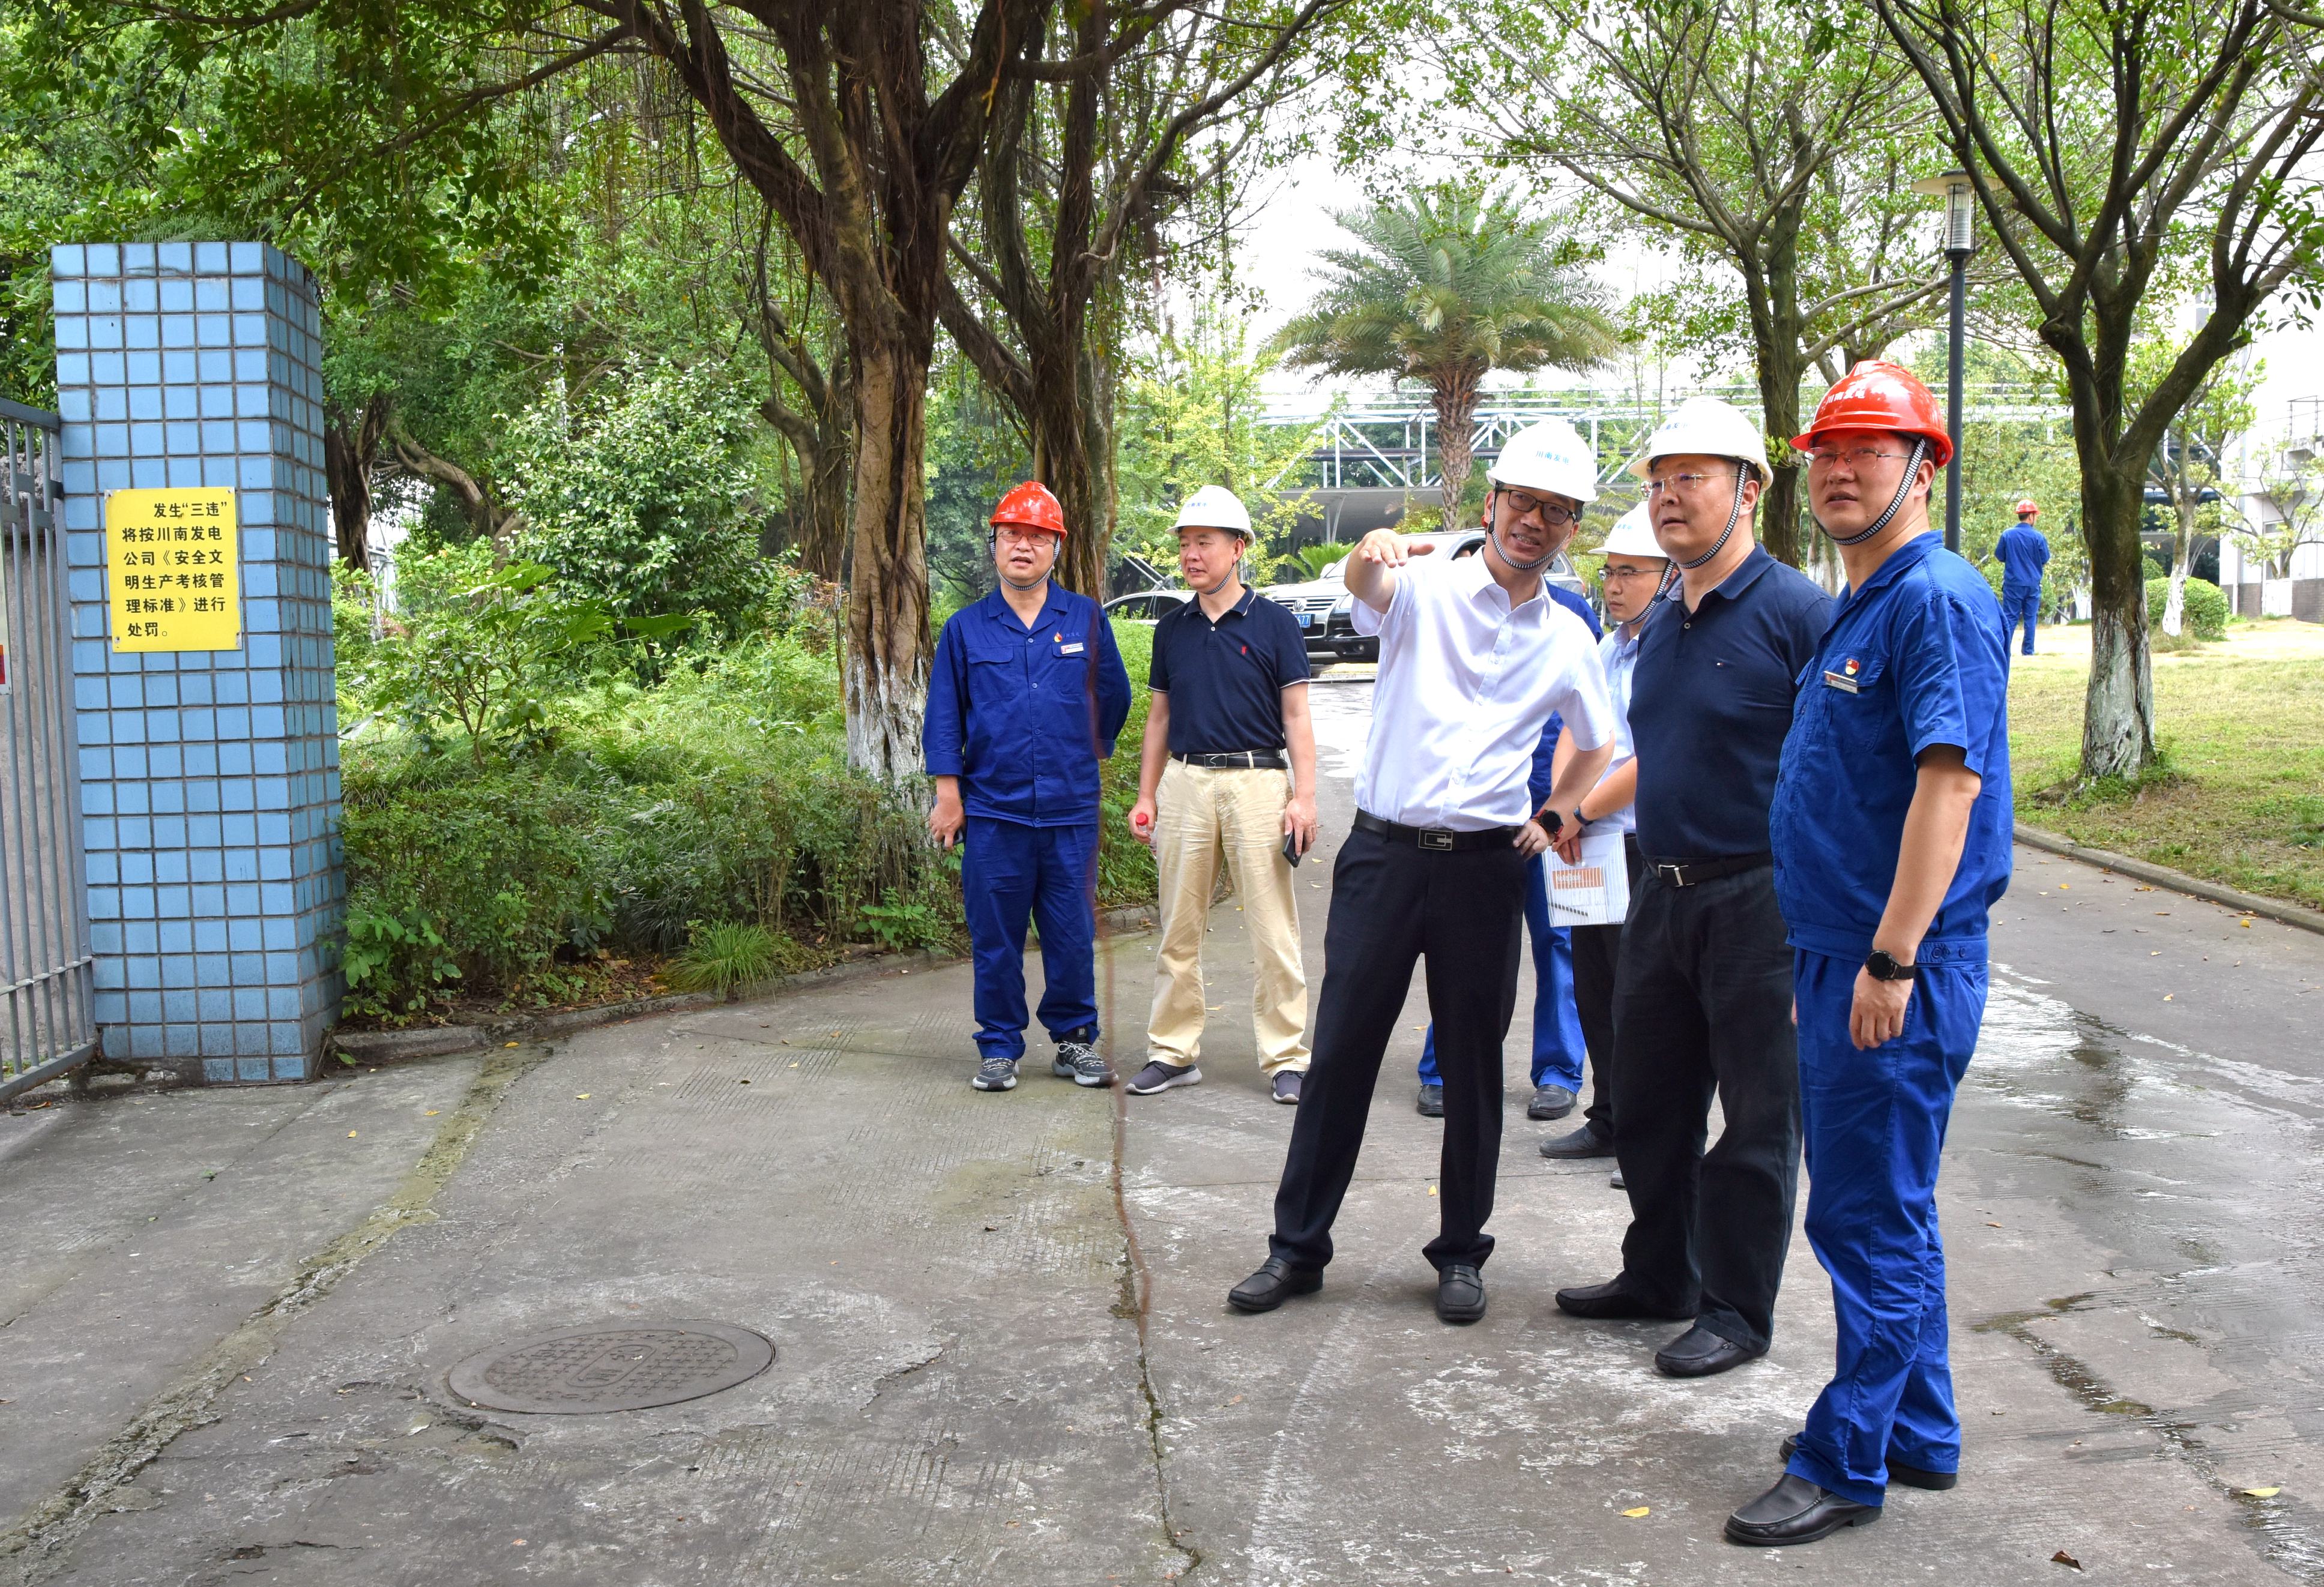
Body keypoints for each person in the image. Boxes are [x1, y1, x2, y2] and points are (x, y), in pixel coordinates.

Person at [1226, 420, 1615, 1328]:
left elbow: (1598, 743)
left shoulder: (1568, 637)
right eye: (1522, 501)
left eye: (1557, 510)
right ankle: (1296, 1248)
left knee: (1474, 1068)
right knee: (1342, 1054)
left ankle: (1461, 1252)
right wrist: (1369, 551)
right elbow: (1367, 587)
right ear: (1492, 502)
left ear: (1570, 528)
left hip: (1485, 870)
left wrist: (1557, 813)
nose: (1534, 521)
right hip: (1384, 858)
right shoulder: (1424, 586)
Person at [1725, 361, 2012, 1547]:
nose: (1840, 470)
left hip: (1897, 964)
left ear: (1923, 465)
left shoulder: (1932, 599)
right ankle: (1919, 1427)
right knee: (1889, 1202)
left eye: (1869, 449)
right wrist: (1834, 960)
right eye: (1826, 452)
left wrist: (1888, 962)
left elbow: (1950, 786)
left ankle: (1844, 1457)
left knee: (1863, 1219)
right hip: (1843, 954)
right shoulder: (1868, 597)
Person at [1553, 396, 1833, 1380]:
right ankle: (1659, 1273)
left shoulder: (1799, 614)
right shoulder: (1662, 620)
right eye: (1659, 481)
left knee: (1756, 1118)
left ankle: (1735, 1308)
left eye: (1693, 478)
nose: (1669, 496)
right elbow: (1654, 754)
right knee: (1647, 1101)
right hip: (1659, 892)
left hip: (1762, 901)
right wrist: (1574, 809)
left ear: (1748, 489)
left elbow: (1841, 773)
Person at [923, 481, 1132, 1094]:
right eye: (1011, 534)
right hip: (995, 814)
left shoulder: (1085, 618)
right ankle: (998, 1046)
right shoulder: (965, 629)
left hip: (1069, 813)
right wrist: (949, 795)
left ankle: (1074, 1041)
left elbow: (1114, 695)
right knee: (995, 938)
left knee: (1071, 935)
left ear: (1055, 549)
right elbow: (944, 716)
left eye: (1037, 537)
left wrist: (1085, 751)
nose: (1023, 546)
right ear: (993, 545)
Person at [1126, 485, 1320, 1104]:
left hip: (1257, 782)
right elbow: (1159, 718)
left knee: (1273, 930)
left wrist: (1304, 797)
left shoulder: (1274, 623)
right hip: (1185, 782)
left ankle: (1286, 1057)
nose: (1191, 554)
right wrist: (1147, 795)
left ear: (1237, 548)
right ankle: (1172, 1052)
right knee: (1177, 929)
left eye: (1204, 542)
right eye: (1185, 544)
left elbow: (1297, 716)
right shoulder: (1172, 628)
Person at [1414, 514, 1600, 1124]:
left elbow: (1594, 725)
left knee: (1559, 943)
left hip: (1551, 818)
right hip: (1476, 824)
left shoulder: (1571, 618)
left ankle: (1558, 1071)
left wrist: (1566, 813)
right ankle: (1444, 1068)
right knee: (1458, 950)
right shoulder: (1447, 614)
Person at [1538, 504, 1663, 1176]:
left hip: (1642, 845)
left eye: (1631, 572)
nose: (1614, 585)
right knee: (1595, 988)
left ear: (1668, 576)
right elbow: (1575, 731)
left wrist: (1579, 812)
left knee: (1645, 998)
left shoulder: (1672, 647)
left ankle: (1651, 1135)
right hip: (1587, 843)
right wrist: (1560, 812)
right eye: (1609, 571)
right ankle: (1610, 1119)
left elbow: (1655, 756)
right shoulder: (1607, 648)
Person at [1993, 501, 2050, 656]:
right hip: (2032, 584)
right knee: (2030, 619)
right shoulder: (2038, 537)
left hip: (2013, 584)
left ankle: (2005, 652)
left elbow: (2000, 556)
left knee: (2010, 618)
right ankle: (2028, 652)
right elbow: (2045, 558)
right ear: (2031, 516)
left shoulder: (2007, 535)